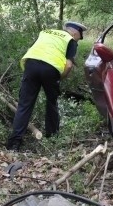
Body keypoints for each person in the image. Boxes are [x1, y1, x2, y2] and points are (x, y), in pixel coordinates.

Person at [5, 21, 87, 151]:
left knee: (24, 105)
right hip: (50, 69)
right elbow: (69, 65)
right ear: (75, 32)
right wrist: (60, 78)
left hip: (30, 64)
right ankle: (52, 137)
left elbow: (33, 49)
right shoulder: (70, 40)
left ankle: (13, 144)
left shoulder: (45, 32)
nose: (78, 40)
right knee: (51, 102)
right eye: (79, 37)